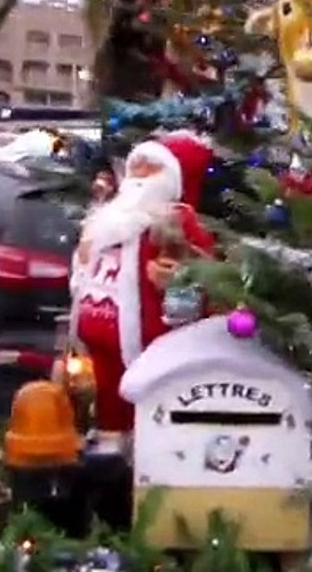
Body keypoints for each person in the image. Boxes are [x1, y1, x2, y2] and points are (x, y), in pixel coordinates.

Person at [71, 131, 216, 433]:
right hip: (97, 349)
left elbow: (203, 279)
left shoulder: (176, 223)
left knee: (144, 427)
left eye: (149, 170)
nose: (138, 177)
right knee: (107, 423)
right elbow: (83, 264)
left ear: (172, 179)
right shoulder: (111, 216)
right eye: (136, 168)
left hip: (147, 354)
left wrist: (178, 282)